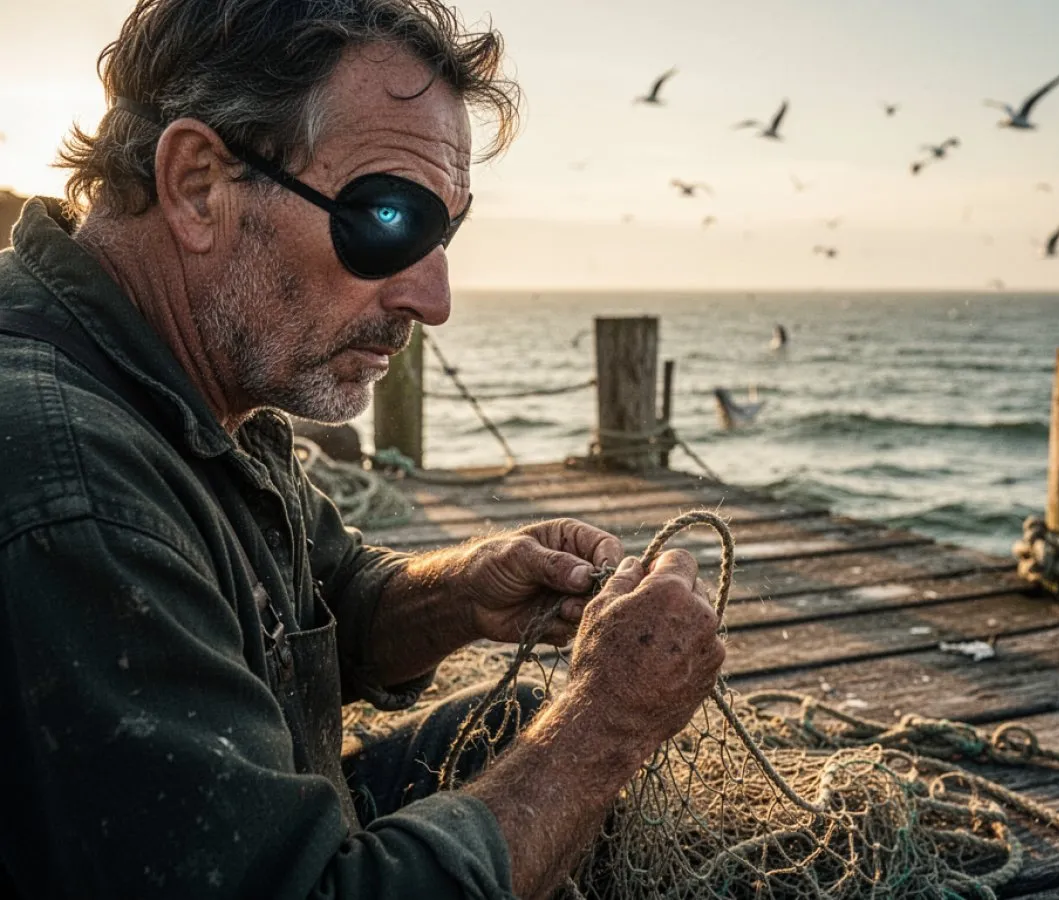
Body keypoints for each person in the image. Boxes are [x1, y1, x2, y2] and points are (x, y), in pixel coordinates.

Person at [0, 1, 725, 897]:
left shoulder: (186, 379)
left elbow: (325, 594)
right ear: (196, 183)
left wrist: (467, 590)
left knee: (520, 722)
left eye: (444, 233)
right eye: (388, 219)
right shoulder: (72, 490)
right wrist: (609, 725)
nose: (434, 297)